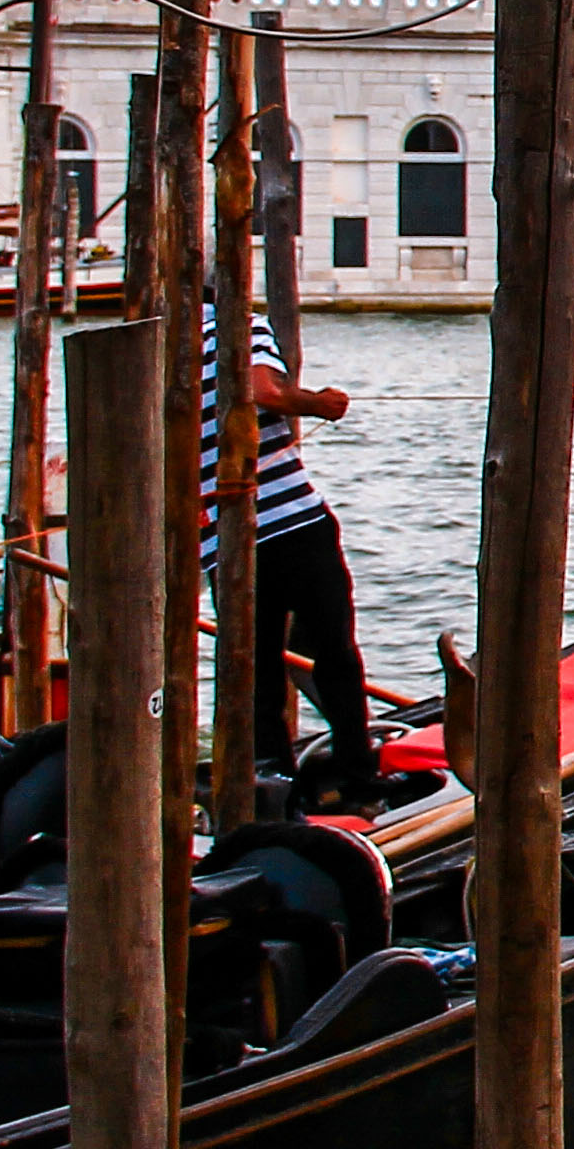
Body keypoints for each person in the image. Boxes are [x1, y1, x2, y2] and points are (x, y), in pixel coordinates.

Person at [198, 305, 378, 797]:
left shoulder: (155, 343)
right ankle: (359, 780)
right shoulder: (236, 322)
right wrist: (320, 403)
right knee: (335, 654)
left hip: (219, 539)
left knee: (255, 665)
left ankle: (273, 782)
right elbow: (264, 391)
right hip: (292, 520)